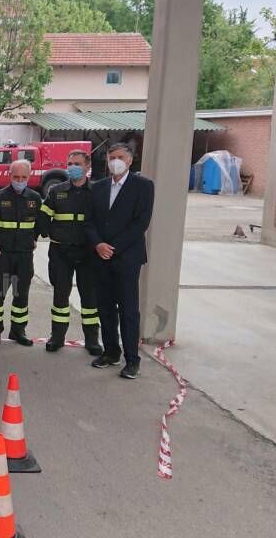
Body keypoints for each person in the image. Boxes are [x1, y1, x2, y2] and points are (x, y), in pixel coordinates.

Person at [85, 143, 154, 379]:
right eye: (111, 157)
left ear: (130, 161)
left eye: (120, 157)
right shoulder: (99, 187)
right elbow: (89, 221)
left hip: (126, 258)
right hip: (101, 257)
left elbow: (140, 223)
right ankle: (111, 351)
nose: (115, 161)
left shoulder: (143, 186)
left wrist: (113, 248)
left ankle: (132, 359)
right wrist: (98, 244)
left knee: (128, 310)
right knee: (105, 308)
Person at [38, 150, 102, 356]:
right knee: (60, 297)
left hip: (88, 254)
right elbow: (43, 216)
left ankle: (92, 340)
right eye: (69, 163)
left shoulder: (98, 191)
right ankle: (57, 337)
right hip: (61, 252)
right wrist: (47, 233)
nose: (72, 167)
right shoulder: (57, 191)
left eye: (77, 163)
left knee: (90, 299)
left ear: (87, 166)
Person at [0, 159, 42, 347]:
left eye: (24, 177)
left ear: (29, 176)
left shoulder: (35, 198)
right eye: (16, 177)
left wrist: (35, 238)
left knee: (21, 294)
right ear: (9, 175)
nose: (20, 180)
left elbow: (39, 223)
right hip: (2, 255)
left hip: (24, 256)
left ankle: (18, 331)